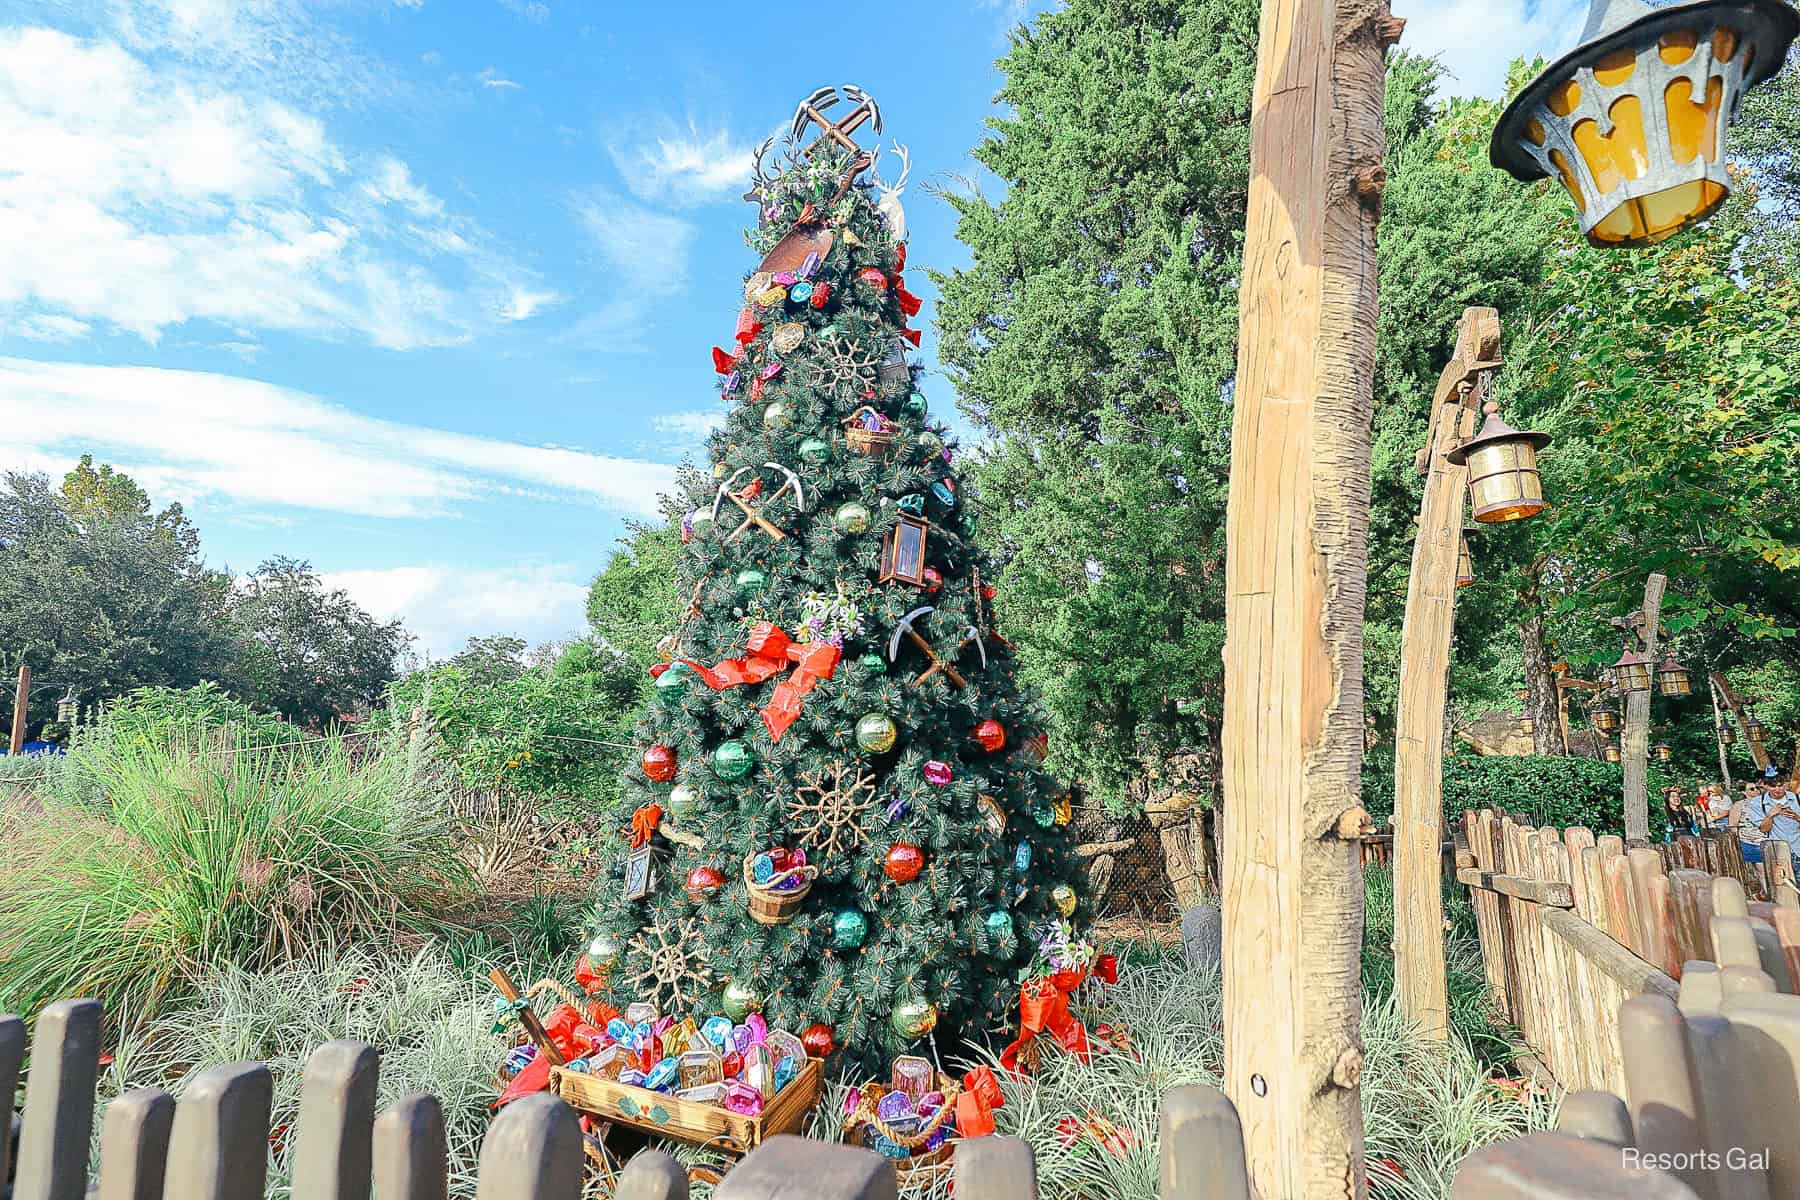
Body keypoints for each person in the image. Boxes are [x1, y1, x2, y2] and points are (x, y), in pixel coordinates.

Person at [1741, 767, 1800, 863]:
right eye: (1773, 786)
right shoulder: (1757, 803)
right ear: (1765, 786)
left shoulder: (1797, 799)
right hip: (1778, 853)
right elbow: (1764, 829)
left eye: (1780, 786)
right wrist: (1770, 815)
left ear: (1785, 784)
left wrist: (1797, 817)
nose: (1777, 789)